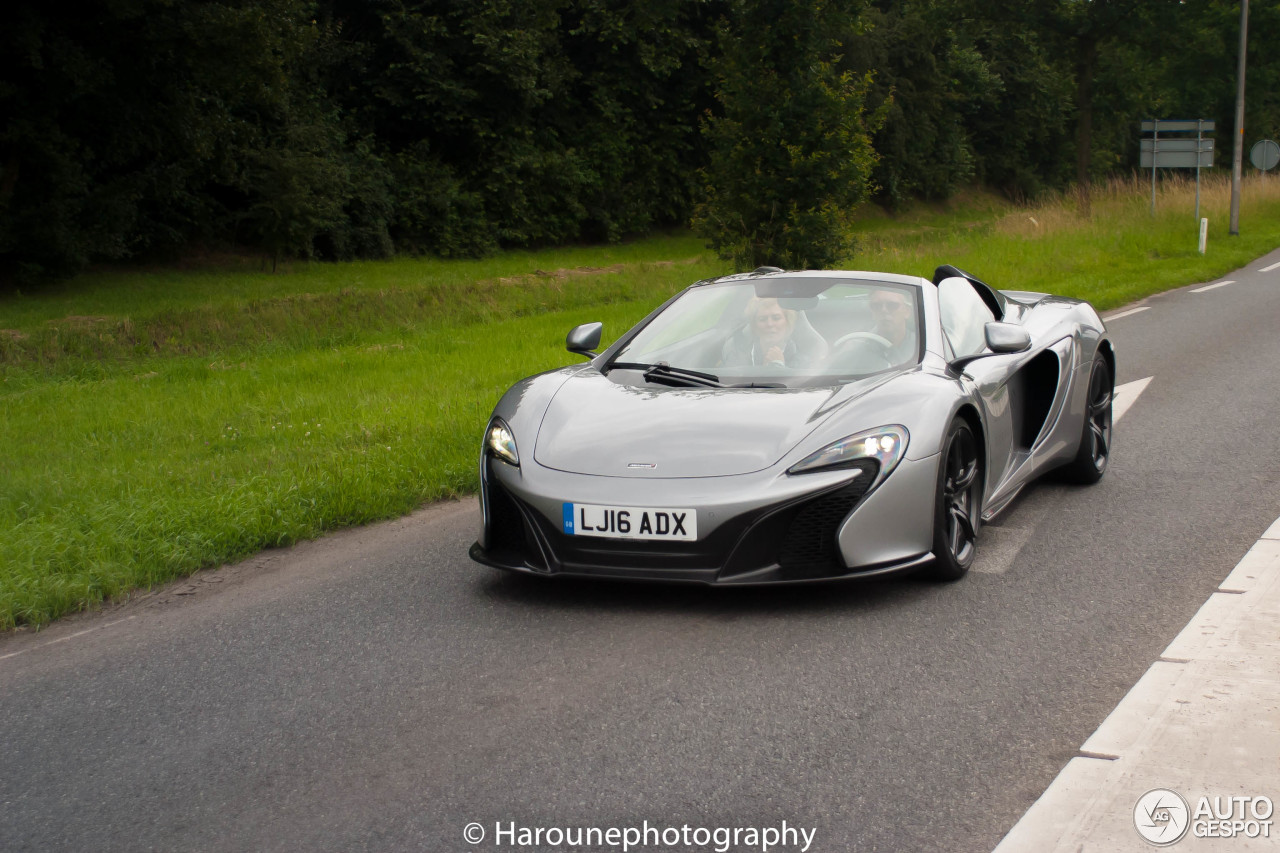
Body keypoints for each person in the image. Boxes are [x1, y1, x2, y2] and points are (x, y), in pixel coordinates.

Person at [720, 297, 822, 368]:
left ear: (788, 322)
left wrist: (777, 366)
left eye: (776, 318)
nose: (769, 324)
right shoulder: (736, 354)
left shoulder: (804, 361)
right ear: (755, 326)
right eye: (762, 319)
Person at [867, 287, 917, 366]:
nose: (884, 310)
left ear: (907, 311)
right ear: (871, 312)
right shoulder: (859, 346)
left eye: (892, 305)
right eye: (877, 306)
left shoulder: (921, 348)